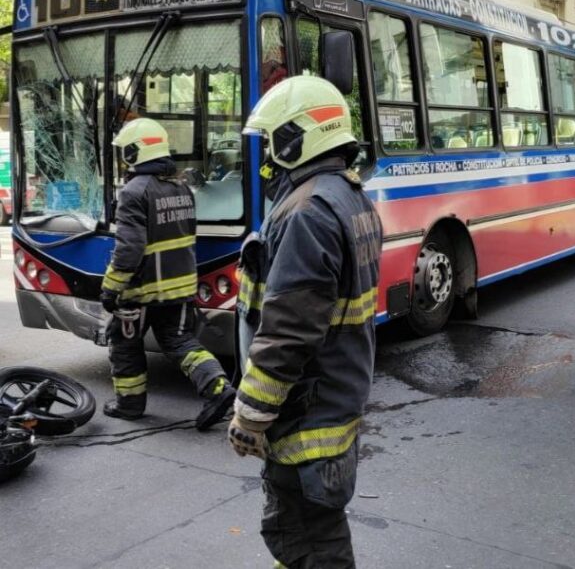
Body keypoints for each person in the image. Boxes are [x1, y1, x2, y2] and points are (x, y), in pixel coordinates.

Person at [228, 76, 382, 568]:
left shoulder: (308, 211)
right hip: (336, 397)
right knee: (305, 536)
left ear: (296, 137)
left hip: (305, 412)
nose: (268, 158)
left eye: (272, 142)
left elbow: (288, 332)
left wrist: (251, 414)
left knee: (309, 540)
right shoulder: (348, 197)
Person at [101, 118, 235, 430]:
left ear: (135, 153)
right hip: (181, 286)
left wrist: (111, 288)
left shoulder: (133, 192)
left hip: (142, 289)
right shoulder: (182, 189)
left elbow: (130, 249)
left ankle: (130, 405)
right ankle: (218, 388)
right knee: (179, 341)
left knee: (124, 344)